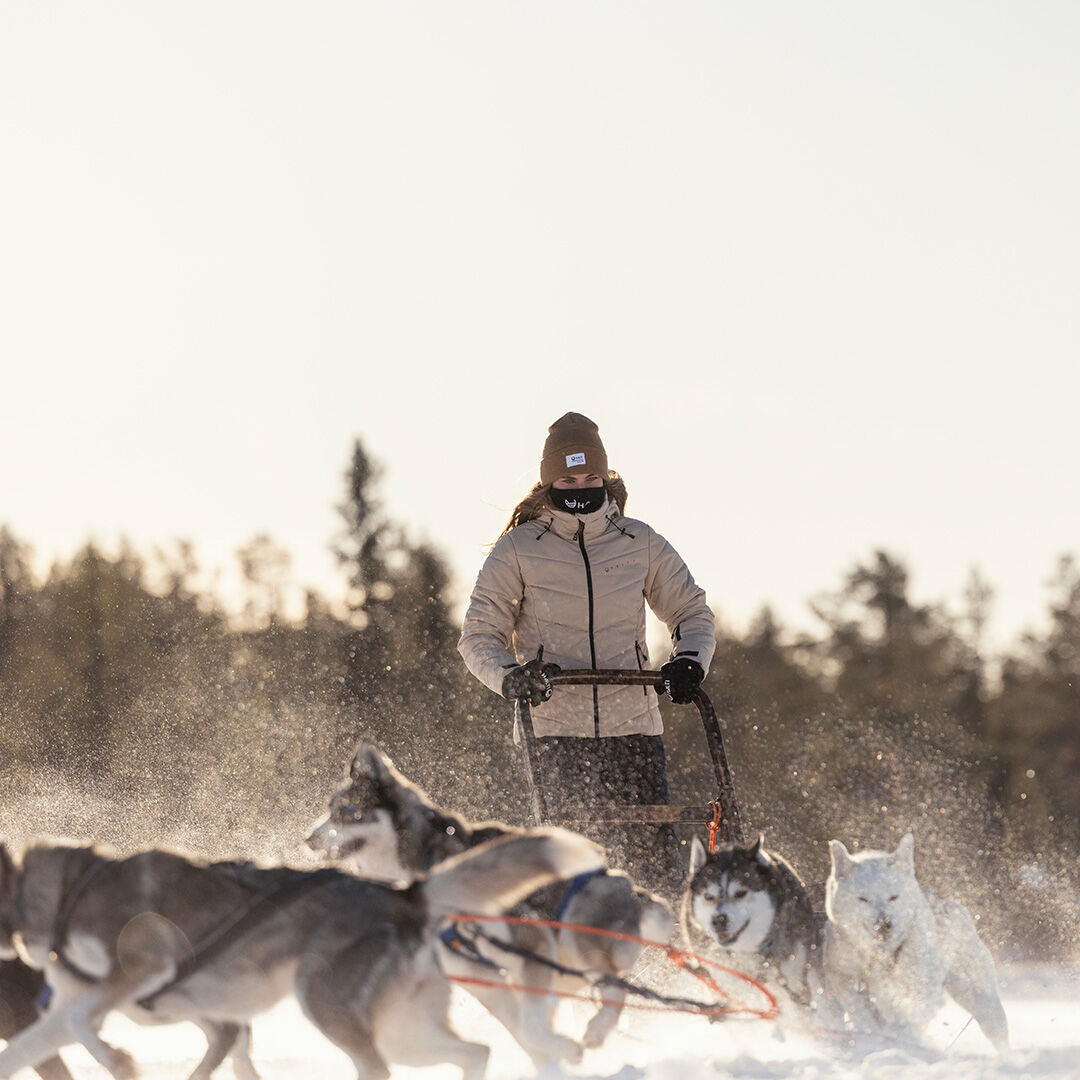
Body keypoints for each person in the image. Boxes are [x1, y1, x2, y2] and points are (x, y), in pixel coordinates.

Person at [458, 412, 716, 897]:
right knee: (568, 869)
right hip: (554, 732)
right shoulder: (518, 550)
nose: (581, 487)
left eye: (590, 477)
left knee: (651, 867)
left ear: (604, 476)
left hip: (634, 728)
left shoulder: (640, 542)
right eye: (568, 480)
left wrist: (689, 660)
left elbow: (691, 613)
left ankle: (662, 938)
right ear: (548, 482)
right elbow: (479, 635)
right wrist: (510, 677)